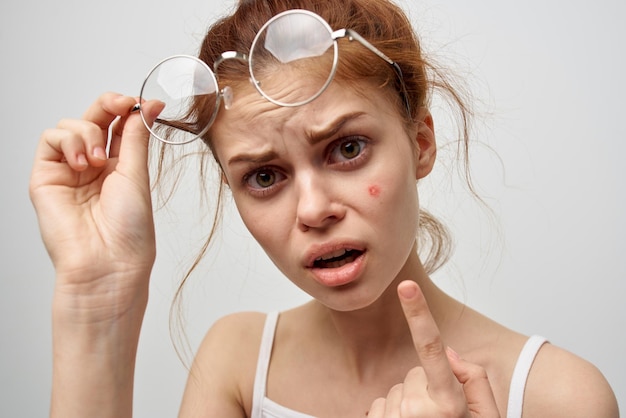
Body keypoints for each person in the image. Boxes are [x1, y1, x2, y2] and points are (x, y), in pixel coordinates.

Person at [29, 0, 618, 417]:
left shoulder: (556, 398)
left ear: (420, 142)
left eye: (348, 148)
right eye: (264, 176)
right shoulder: (236, 363)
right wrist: (96, 295)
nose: (312, 209)